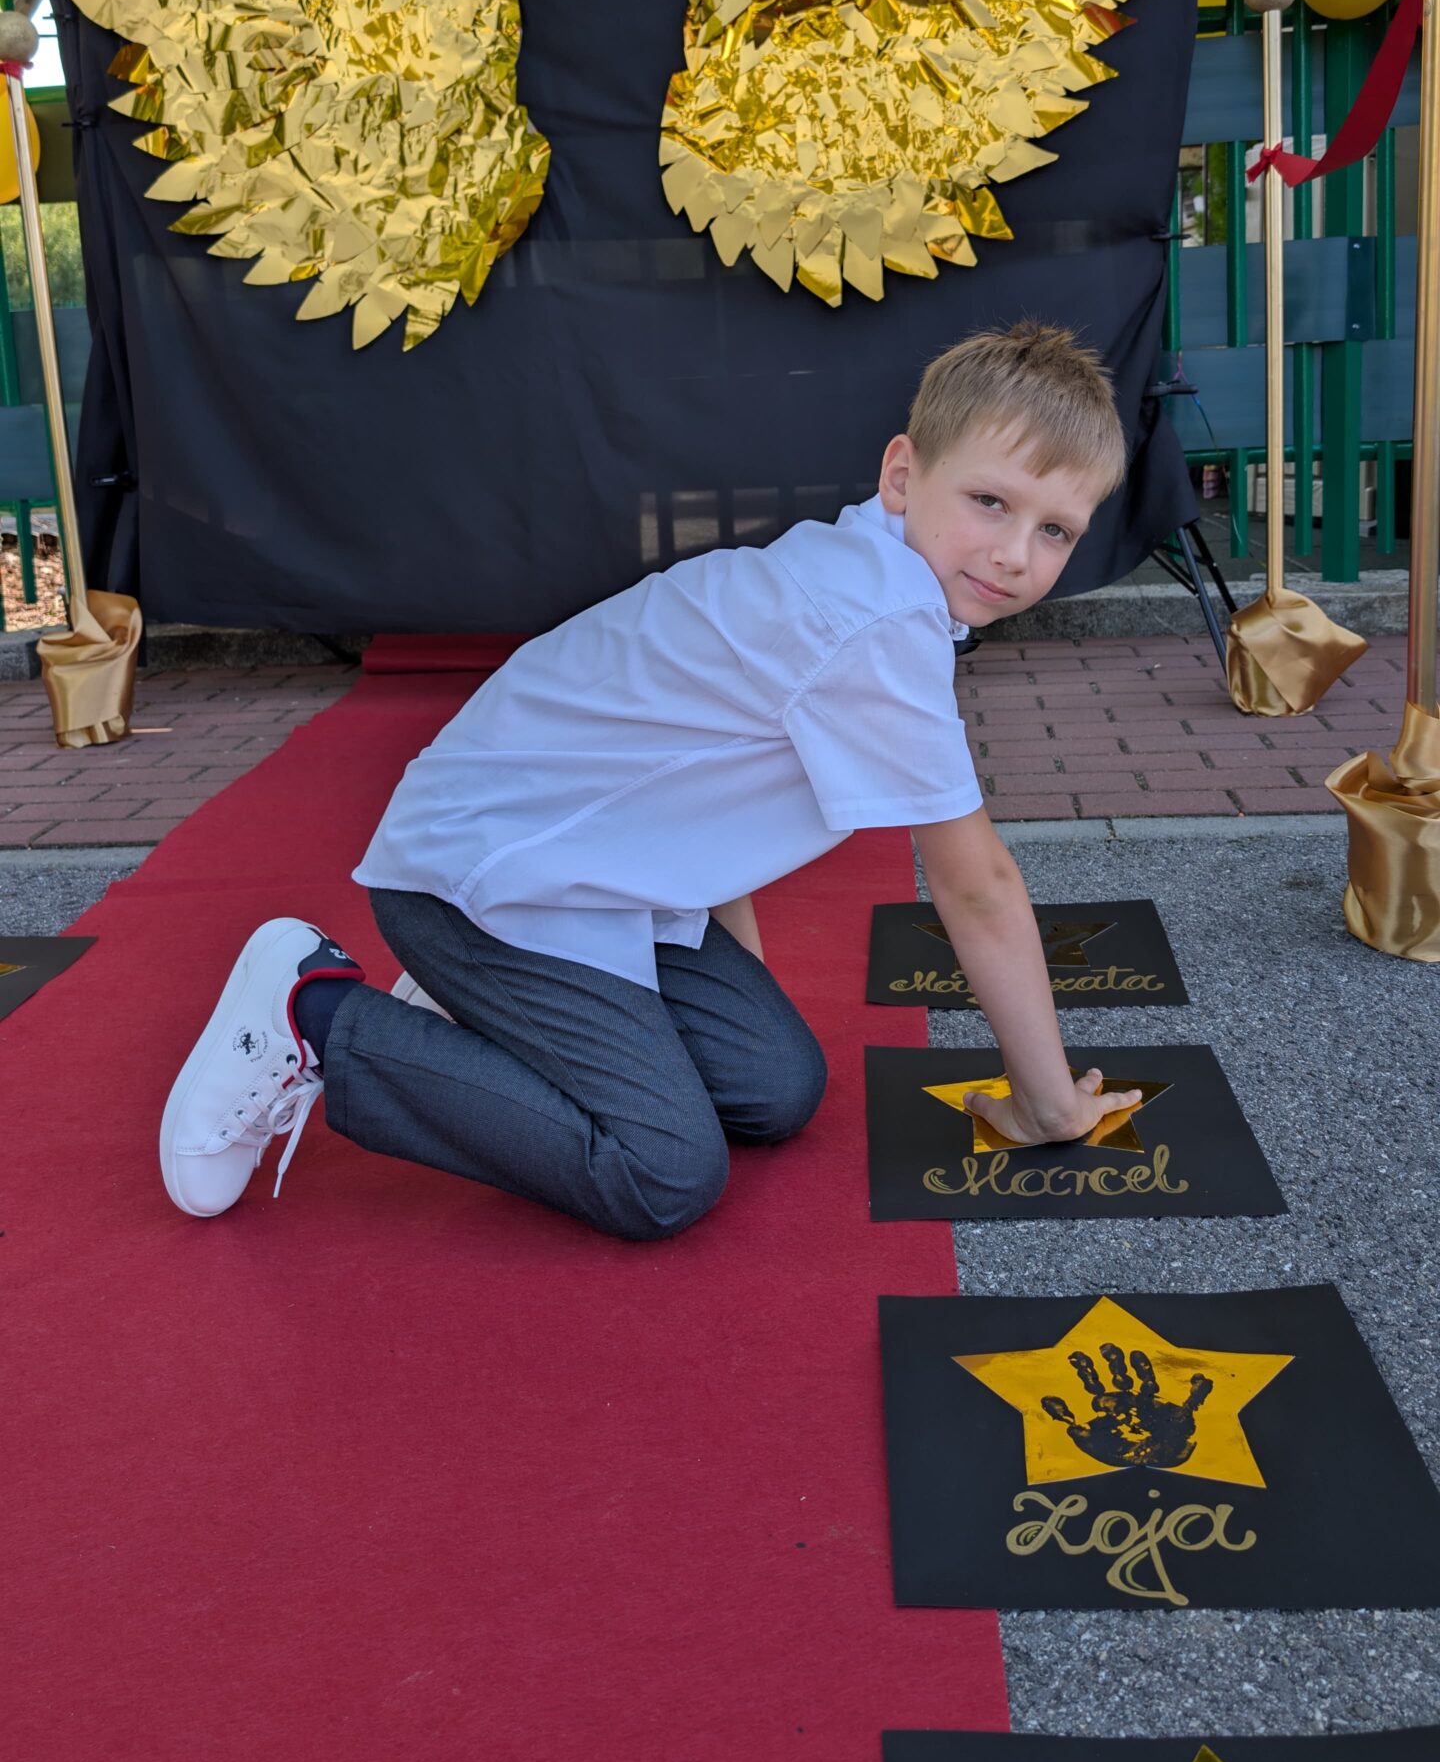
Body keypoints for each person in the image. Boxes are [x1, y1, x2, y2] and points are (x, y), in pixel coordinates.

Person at [159, 320, 1143, 1238]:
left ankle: (482, 1015)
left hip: (588, 869)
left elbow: (704, 793)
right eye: (990, 502)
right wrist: (1046, 1106)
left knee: (774, 1088)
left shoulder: (863, 572)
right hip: (480, 879)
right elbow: (978, 888)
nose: (1015, 554)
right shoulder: (876, 620)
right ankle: (314, 1017)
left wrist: (736, 1009)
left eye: (1056, 530)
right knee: (666, 1171)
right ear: (902, 474)